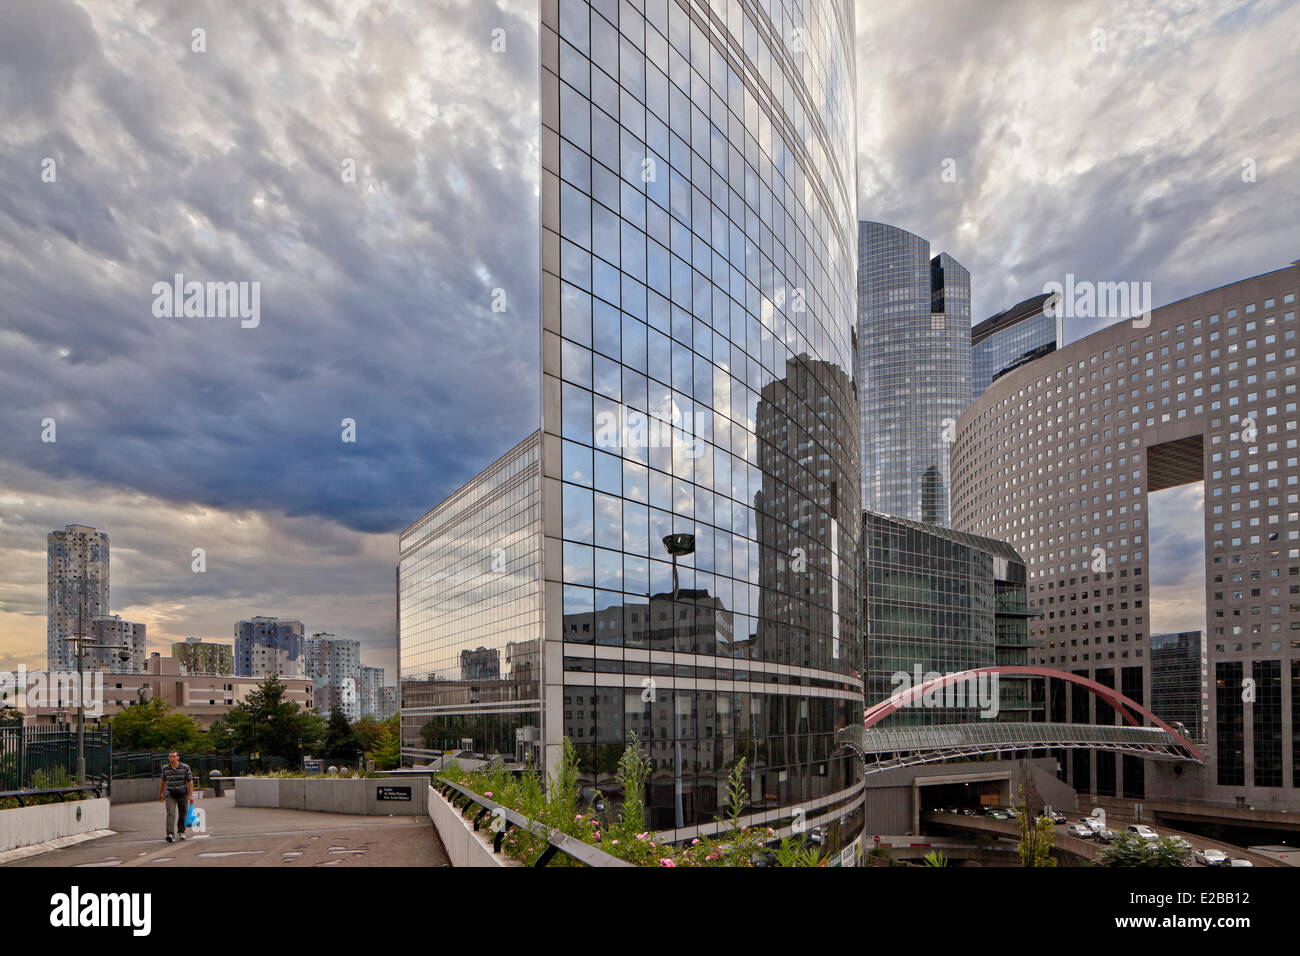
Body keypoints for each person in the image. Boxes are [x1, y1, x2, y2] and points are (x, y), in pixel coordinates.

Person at [157, 751, 194, 843]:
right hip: (170, 794)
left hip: (183, 793)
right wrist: (160, 793)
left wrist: (191, 795)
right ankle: (170, 834)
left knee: (183, 814)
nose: (172, 758)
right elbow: (163, 781)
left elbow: (190, 781)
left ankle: (181, 831)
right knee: (171, 813)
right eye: (170, 757)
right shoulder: (165, 768)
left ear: (178, 757)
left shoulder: (185, 767)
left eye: (174, 756)